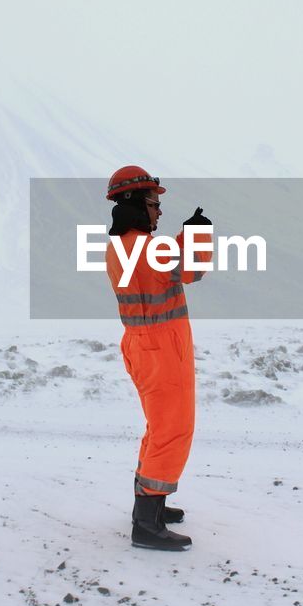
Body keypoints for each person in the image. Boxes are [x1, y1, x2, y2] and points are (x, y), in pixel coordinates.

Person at [104, 166, 211, 551]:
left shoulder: (121, 246)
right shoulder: (147, 249)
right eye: (154, 203)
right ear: (135, 204)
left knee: (158, 426)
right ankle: (147, 523)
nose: (159, 212)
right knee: (173, 429)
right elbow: (192, 270)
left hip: (142, 345)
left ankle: (149, 504)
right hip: (162, 349)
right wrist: (198, 233)